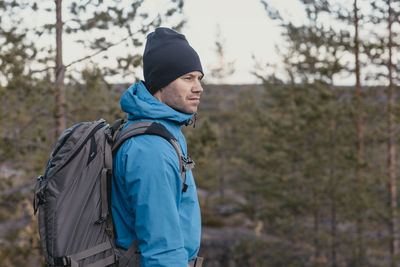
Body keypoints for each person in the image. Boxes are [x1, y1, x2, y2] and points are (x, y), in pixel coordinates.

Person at [111, 27, 204, 267]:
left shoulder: (163, 132)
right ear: (161, 84)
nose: (199, 87)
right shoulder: (151, 149)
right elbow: (162, 249)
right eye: (188, 78)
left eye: (199, 78)